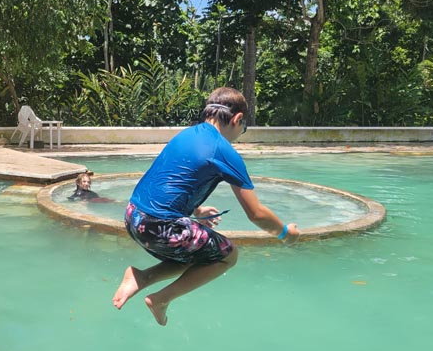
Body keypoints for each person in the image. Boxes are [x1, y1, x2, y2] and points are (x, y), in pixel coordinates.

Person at [112, 87, 300, 326]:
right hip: (158, 227)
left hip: (133, 217)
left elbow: (170, 182)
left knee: (198, 250)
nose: (240, 134)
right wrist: (286, 234)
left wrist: (196, 210)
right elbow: (256, 214)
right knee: (227, 255)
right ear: (238, 119)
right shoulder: (222, 150)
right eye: (243, 128)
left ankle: (140, 277)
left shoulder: (188, 134)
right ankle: (161, 299)